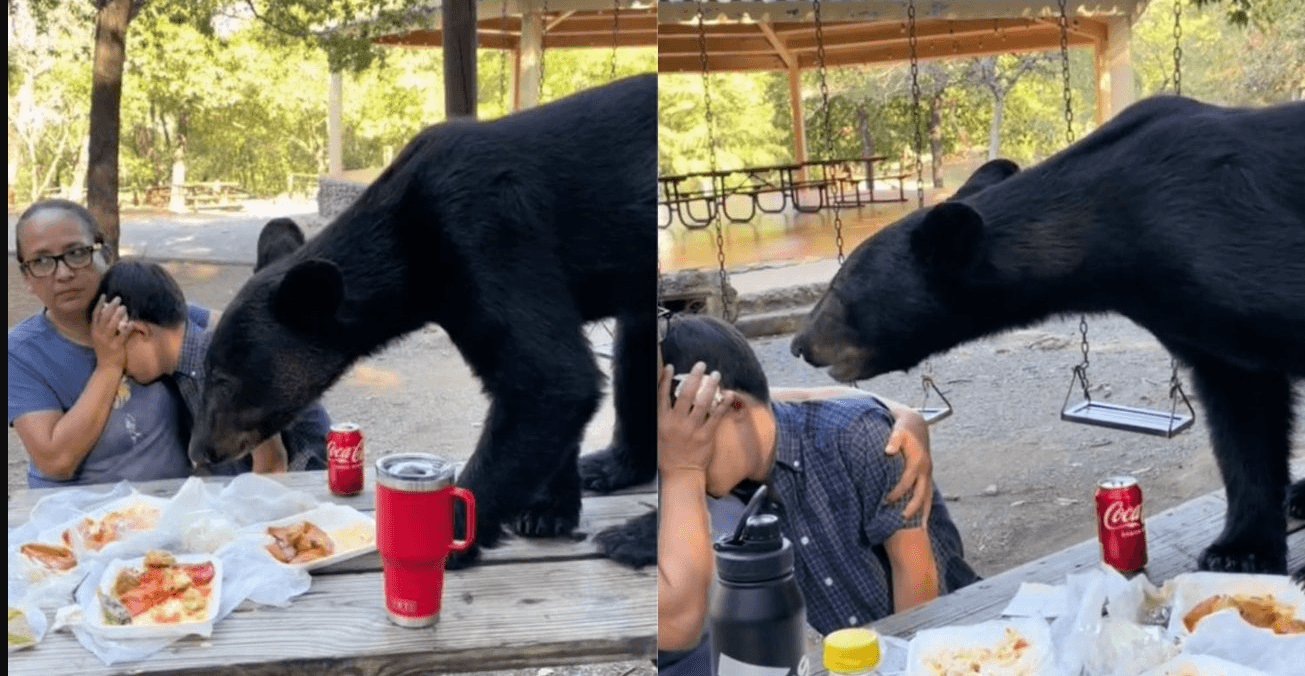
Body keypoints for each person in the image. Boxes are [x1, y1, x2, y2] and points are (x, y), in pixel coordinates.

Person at [657, 315, 980, 672]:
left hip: (948, 645)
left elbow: (917, 577)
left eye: (690, 441)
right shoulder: (700, 490)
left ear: (731, 406)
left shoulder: (856, 437)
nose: (681, 458)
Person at [8, 200, 200, 487]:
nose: (64, 273)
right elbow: (56, 461)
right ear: (27, 278)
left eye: (76, 253)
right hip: (76, 511)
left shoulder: (147, 310)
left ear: (106, 255)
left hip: (172, 503)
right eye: (41, 261)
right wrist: (108, 366)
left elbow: (227, 330)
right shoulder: (21, 353)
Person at [93, 259, 331, 474]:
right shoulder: (183, 343)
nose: (121, 368)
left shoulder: (229, 368)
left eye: (116, 350)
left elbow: (273, 466)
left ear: (138, 331)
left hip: (306, 479)